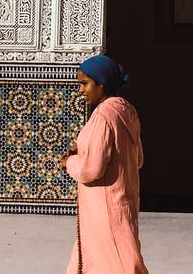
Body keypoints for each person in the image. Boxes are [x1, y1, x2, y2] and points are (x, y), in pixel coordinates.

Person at [60, 54, 148, 274]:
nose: (81, 90)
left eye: (85, 84)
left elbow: (92, 169)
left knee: (115, 262)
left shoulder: (103, 116)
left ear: (101, 84)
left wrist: (69, 162)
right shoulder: (127, 111)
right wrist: (82, 150)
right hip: (123, 201)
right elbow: (136, 159)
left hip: (105, 207)